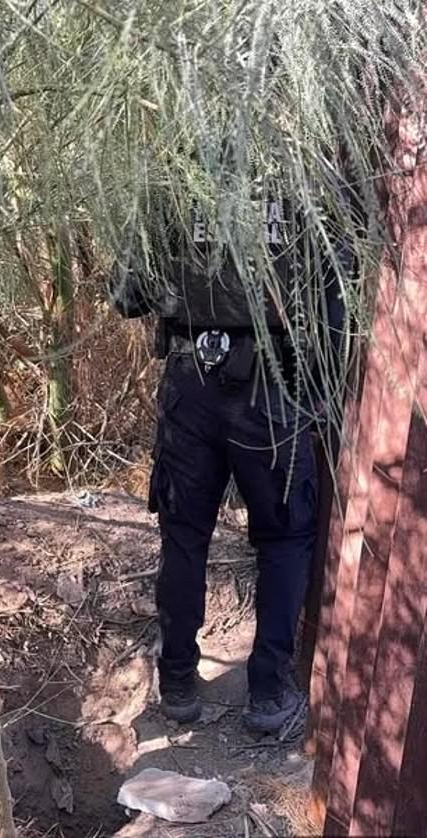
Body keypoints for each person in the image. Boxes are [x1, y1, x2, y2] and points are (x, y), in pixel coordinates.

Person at [110, 179, 320, 734]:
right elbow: (331, 298)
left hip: (192, 380)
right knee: (283, 538)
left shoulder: (170, 181)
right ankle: (268, 694)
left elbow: (127, 294)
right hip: (273, 385)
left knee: (185, 534)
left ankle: (177, 680)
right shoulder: (304, 173)